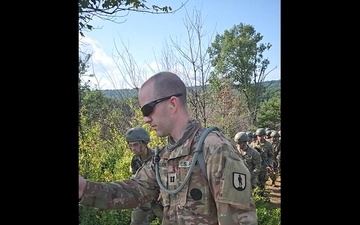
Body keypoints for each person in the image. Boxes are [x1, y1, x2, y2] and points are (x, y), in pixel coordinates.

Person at [79, 71, 258, 225]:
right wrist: (84, 188)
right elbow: (133, 190)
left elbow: (238, 219)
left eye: (147, 110)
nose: (145, 119)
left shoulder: (214, 149)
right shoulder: (163, 157)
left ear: (172, 104)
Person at [125, 127, 163, 225]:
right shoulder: (135, 161)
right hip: (144, 201)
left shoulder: (158, 157)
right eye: (131, 145)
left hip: (161, 201)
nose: (133, 148)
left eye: (136, 145)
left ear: (145, 143)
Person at [250, 128, 274, 194]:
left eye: (261, 136)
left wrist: (270, 164)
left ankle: (261, 196)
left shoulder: (268, 144)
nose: (260, 137)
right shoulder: (253, 144)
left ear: (264, 135)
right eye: (258, 136)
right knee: (254, 182)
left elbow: (271, 156)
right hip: (255, 166)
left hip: (264, 166)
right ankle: (256, 196)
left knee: (262, 182)